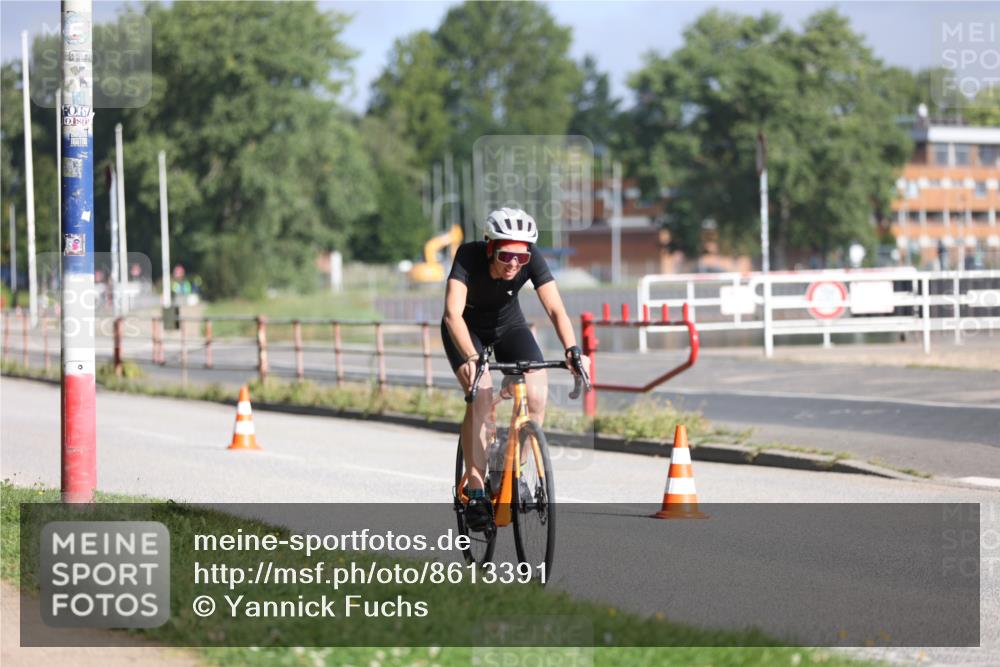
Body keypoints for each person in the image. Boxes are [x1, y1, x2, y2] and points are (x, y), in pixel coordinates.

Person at [442, 207, 588, 531]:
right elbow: (452, 314)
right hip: (466, 331)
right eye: (506, 255)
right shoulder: (468, 255)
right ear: (491, 247)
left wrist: (572, 349)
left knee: (537, 392)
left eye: (520, 259)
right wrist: (471, 357)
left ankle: (514, 470)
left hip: (508, 326)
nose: (513, 265)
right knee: (481, 395)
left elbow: (555, 308)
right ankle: (477, 490)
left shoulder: (530, 259)